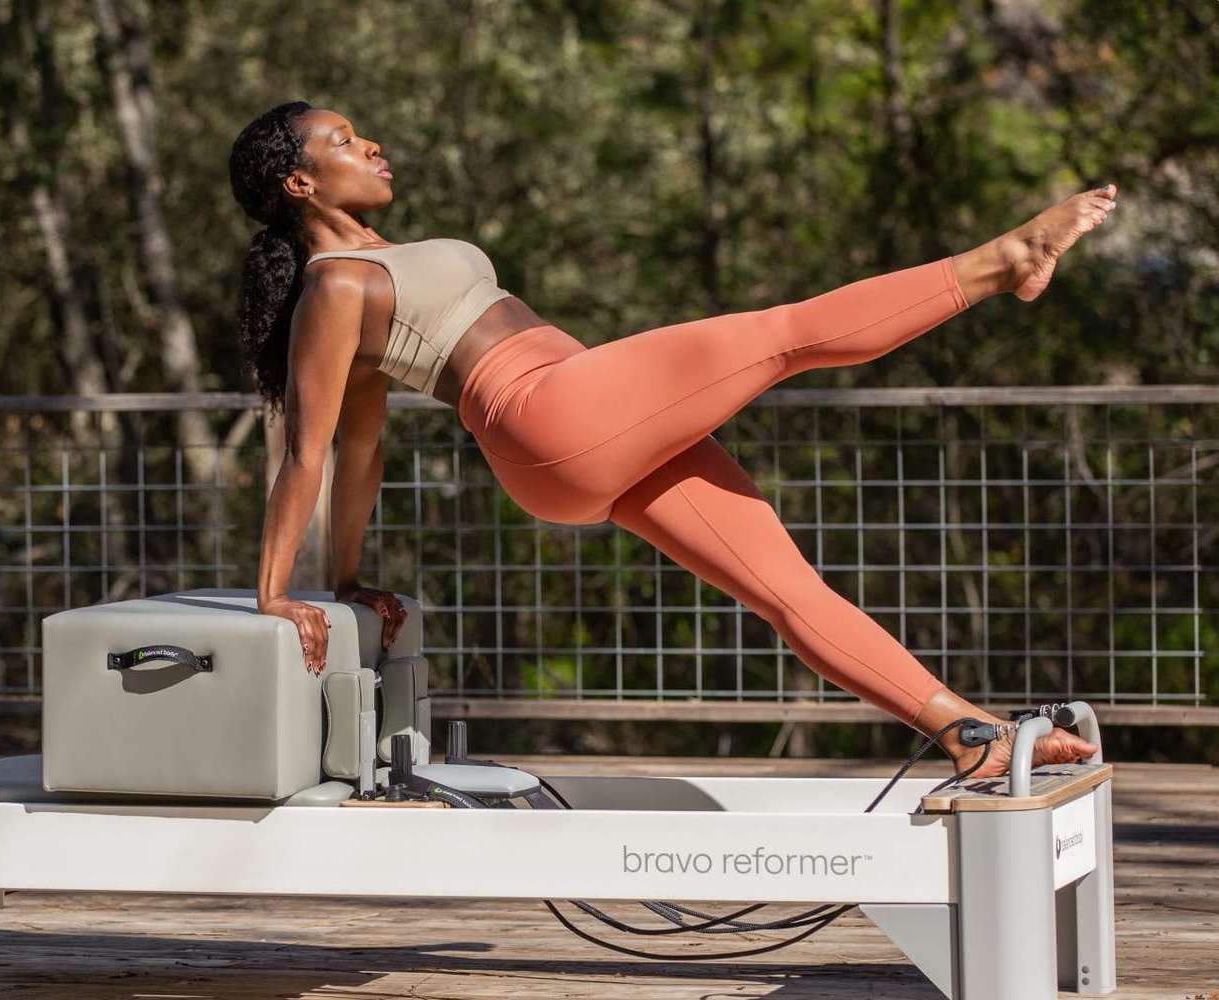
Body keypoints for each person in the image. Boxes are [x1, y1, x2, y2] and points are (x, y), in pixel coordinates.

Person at [229, 101, 1114, 778]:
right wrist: (278, 593)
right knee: (781, 332)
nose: (371, 144)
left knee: (787, 591)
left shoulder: (373, 264)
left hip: (581, 433)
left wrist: (348, 581)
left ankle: (969, 734)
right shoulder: (336, 284)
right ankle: (1007, 261)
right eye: (344, 140)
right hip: (547, 415)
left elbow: (366, 453)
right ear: (297, 184)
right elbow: (321, 449)